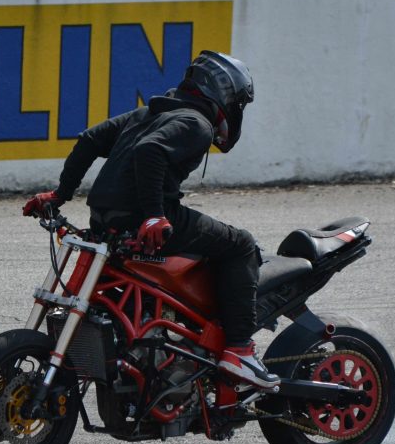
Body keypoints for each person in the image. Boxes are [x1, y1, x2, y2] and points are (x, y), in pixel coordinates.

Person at [23, 50, 278, 390]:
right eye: (238, 103)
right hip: (144, 217)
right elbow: (151, 152)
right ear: (225, 94)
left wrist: (60, 194)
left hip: (104, 216)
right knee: (241, 244)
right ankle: (239, 350)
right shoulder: (197, 124)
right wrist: (155, 214)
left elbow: (89, 139)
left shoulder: (147, 114)